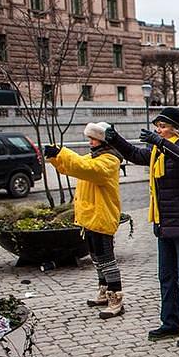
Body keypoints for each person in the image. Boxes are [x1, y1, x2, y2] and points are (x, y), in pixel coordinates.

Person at [105, 108, 179, 347]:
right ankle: (170, 323)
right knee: (167, 278)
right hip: (164, 223)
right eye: (157, 126)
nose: (157, 130)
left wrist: (161, 143)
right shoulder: (156, 151)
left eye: (162, 126)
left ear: (175, 128)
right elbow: (135, 154)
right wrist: (115, 139)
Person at [44, 122, 125, 319]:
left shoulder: (109, 160)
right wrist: (56, 157)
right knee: (97, 258)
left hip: (102, 216)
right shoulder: (94, 156)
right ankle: (104, 291)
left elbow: (85, 167)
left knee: (107, 259)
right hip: (90, 217)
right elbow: (74, 167)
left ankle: (116, 298)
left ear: (104, 140)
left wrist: (62, 152)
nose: (90, 141)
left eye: (93, 138)